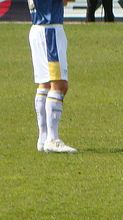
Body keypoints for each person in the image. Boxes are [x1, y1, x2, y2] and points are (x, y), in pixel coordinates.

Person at [29, 0, 76, 153]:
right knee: (59, 85)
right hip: (50, 31)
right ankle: (52, 139)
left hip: (39, 28)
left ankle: (43, 137)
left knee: (45, 84)